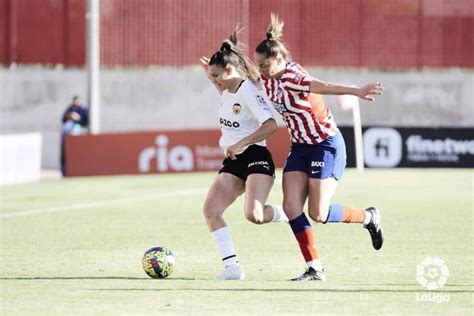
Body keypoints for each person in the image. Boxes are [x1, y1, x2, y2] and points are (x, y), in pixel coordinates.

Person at [253, 14, 385, 281]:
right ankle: (315, 268)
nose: (261, 70)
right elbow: (248, 72)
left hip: (325, 145)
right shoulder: (267, 76)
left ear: (279, 60)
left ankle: (368, 217)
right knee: (291, 207)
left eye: (265, 65)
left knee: (319, 214)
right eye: (259, 65)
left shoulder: (293, 77)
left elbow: (324, 86)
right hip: (300, 147)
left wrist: (356, 91)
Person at [200, 28, 288, 280]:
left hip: (256, 157)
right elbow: (223, 90)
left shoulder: (249, 91)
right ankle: (232, 268)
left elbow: (271, 125)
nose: (214, 81)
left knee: (254, 216)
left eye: (216, 76)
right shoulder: (226, 88)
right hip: (234, 160)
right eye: (211, 77)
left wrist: (241, 143)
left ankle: (288, 215)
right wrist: (210, 75)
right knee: (211, 211)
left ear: (229, 70)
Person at [60, 95, 89, 175]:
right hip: (67, 133)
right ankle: (64, 171)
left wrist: (77, 119)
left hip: (78, 131)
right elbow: (63, 119)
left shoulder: (82, 110)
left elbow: (85, 121)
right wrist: (69, 116)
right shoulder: (69, 109)